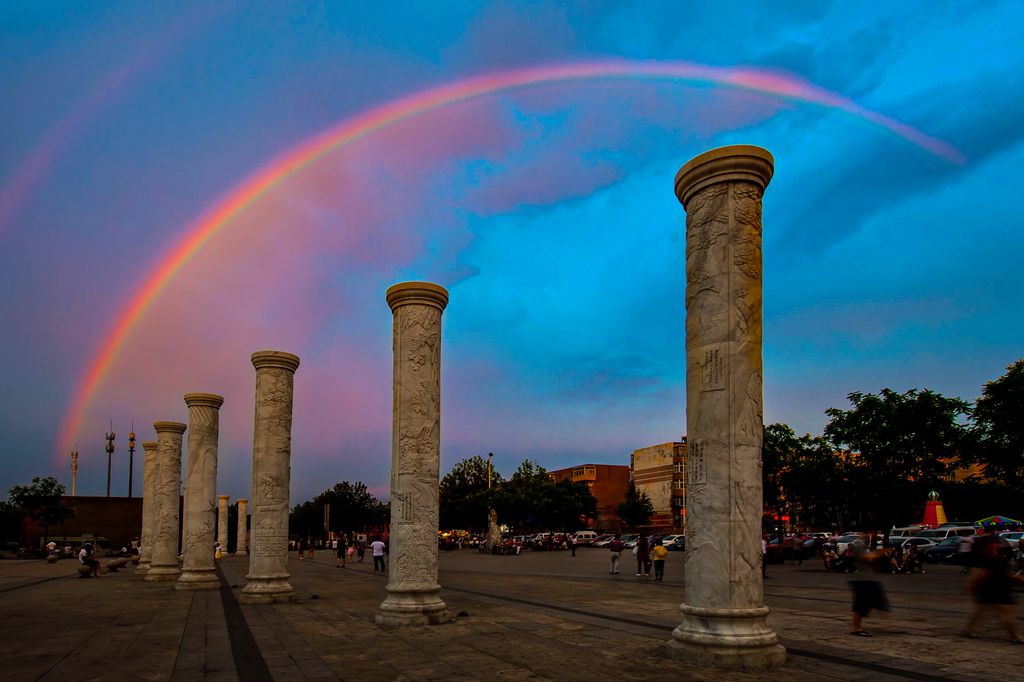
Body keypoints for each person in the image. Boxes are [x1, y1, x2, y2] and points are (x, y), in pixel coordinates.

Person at [962, 531, 1024, 642]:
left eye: (997, 543)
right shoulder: (986, 558)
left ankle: (969, 630)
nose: (998, 545)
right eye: (994, 543)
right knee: (1008, 613)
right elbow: (980, 573)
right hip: (994, 590)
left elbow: (1002, 572)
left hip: (997, 589)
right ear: (987, 545)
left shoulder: (998, 556)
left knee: (981, 611)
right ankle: (1015, 636)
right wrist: (972, 585)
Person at [849, 538, 889, 636]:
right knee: (861, 603)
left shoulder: (863, 543)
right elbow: (864, 557)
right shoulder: (859, 543)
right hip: (861, 580)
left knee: (870, 601)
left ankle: (859, 624)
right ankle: (856, 628)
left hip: (867, 579)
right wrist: (879, 553)